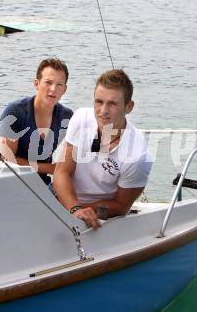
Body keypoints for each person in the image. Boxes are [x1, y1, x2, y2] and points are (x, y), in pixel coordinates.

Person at [53, 69, 152, 229]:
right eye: (99, 102)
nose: (103, 111)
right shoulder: (81, 118)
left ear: (129, 107)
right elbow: (61, 171)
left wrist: (87, 212)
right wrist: (75, 209)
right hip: (66, 200)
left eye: (112, 104)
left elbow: (121, 206)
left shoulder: (138, 155)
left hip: (102, 214)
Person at [0, 58, 73, 184]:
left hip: (44, 183)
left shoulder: (67, 117)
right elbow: (7, 160)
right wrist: (51, 168)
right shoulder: (14, 112)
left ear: (64, 89)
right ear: (36, 83)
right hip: (11, 181)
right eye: (48, 82)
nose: (53, 89)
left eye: (59, 84)